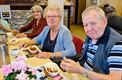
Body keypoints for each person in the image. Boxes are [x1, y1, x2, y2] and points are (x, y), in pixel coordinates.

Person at [60, 6, 122, 80]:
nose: (89, 29)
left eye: (93, 23)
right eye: (86, 25)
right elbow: (84, 59)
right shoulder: (91, 36)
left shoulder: (117, 44)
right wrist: (71, 65)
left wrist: (82, 71)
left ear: (104, 22)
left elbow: (116, 78)